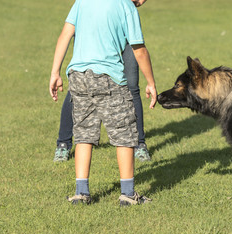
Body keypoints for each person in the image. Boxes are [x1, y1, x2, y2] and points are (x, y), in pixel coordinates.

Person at [49, 0, 157, 206]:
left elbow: (65, 34)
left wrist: (55, 72)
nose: (142, 1)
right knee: (124, 132)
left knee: (83, 133)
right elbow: (139, 50)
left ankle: (81, 193)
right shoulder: (127, 6)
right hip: (108, 76)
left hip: (77, 76)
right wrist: (151, 82)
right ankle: (127, 193)